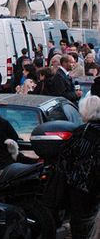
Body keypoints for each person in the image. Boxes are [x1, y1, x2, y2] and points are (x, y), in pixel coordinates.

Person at [56, 96, 100, 239]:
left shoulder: (82, 133)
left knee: (81, 226)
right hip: (90, 187)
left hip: (83, 188)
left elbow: (66, 159)